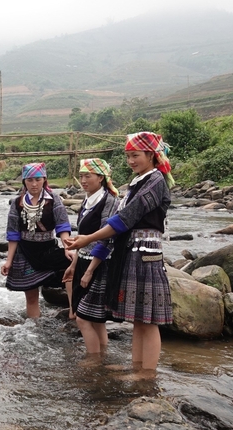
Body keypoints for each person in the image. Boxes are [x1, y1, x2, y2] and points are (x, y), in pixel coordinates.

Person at [64, 132, 174, 377]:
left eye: (135, 155)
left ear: (151, 155)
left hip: (146, 255)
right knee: (139, 318)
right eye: (127, 156)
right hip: (132, 253)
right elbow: (121, 224)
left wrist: (89, 238)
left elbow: (125, 219)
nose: (131, 161)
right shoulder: (140, 181)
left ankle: (148, 373)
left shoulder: (155, 181)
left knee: (149, 320)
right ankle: (136, 366)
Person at [62, 158, 119, 356]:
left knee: (83, 317)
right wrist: (73, 266)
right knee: (96, 319)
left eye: (88, 176)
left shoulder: (109, 201)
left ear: (101, 177)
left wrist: (89, 271)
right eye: (81, 176)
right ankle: (102, 356)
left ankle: (93, 361)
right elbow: (81, 241)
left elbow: (106, 239)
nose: (83, 180)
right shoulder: (87, 200)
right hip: (84, 261)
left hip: (100, 264)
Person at [1, 163, 73, 319]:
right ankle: (34, 328)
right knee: (32, 297)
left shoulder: (53, 199)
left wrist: (67, 247)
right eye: (30, 180)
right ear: (24, 182)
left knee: (73, 265)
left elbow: (62, 225)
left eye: (38, 180)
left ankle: (74, 311)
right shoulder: (17, 203)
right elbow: (13, 234)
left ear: (44, 180)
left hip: (48, 249)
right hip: (25, 252)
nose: (34, 184)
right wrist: (9, 261)